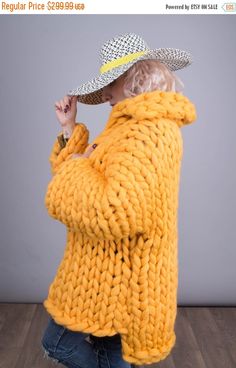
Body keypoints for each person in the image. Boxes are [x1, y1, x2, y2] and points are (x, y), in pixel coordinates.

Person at [41, 33, 197, 368]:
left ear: (133, 78)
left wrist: (77, 166)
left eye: (111, 82)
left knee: (58, 344)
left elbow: (116, 209)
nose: (107, 93)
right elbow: (91, 169)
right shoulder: (131, 126)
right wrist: (69, 130)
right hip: (107, 273)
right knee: (108, 352)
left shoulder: (149, 131)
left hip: (119, 278)